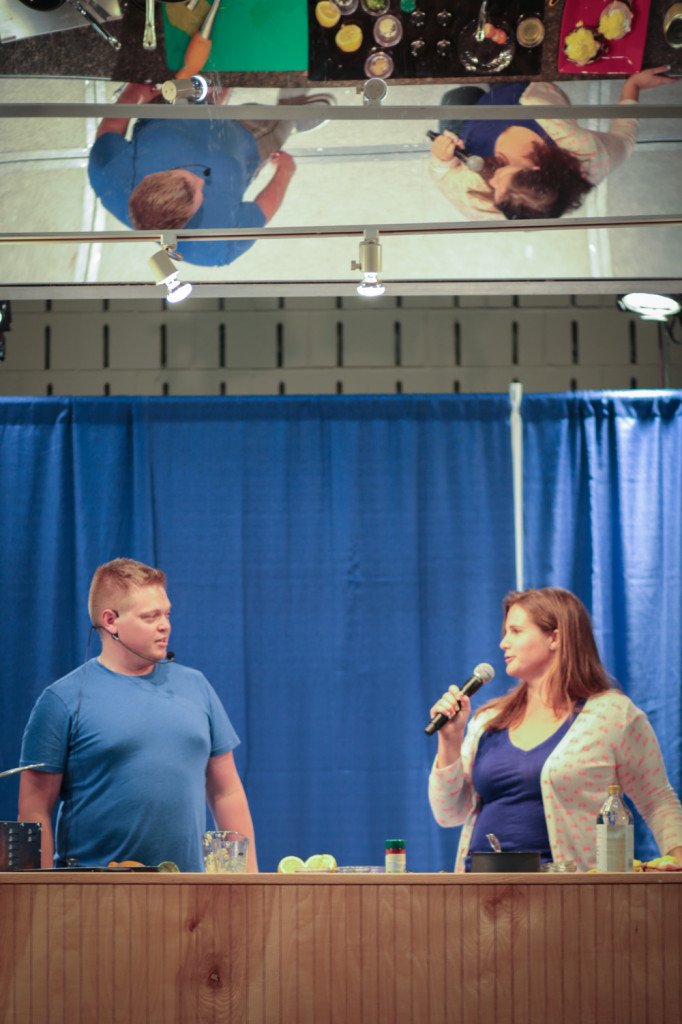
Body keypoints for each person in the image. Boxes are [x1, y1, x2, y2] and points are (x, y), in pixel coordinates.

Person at [18, 557, 258, 872]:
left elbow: (226, 792)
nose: (165, 625)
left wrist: (247, 882)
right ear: (110, 620)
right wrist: (43, 898)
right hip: (93, 897)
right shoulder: (60, 701)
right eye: (150, 616)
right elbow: (34, 810)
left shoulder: (196, 686)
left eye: (167, 613)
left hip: (190, 895)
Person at [428, 587, 682, 872]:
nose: (503, 643)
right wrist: (449, 740)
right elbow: (448, 813)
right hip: (481, 891)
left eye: (515, 631)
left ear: (555, 637)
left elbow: (658, 800)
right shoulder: (487, 720)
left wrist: (678, 860)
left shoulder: (612, 715)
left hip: (565, 895)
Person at [87, 82, 333, 266]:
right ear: (187, 223)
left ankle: (215, 96)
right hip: (245, 145)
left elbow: (111, 126)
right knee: (280, 123)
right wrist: (286, 172)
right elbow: (263, 208)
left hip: (169, 115)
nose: (202, 179)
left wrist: (134, 92)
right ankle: (292, 117)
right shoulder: (215, 247)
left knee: (196, 64)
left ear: (147, 178)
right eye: (199, 192)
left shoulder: (108, 176)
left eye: (183, 174)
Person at [428, 67, 678, 220]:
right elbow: (624, 141)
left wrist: (443, 160)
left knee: (457, 98)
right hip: (523, 92)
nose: (490, 180)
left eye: (496, 188)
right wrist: (632, 86)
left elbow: (443, 178)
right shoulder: (586, 157)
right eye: (501, 179)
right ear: (536, 169)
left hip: (468, 130)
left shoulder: (480, 197)